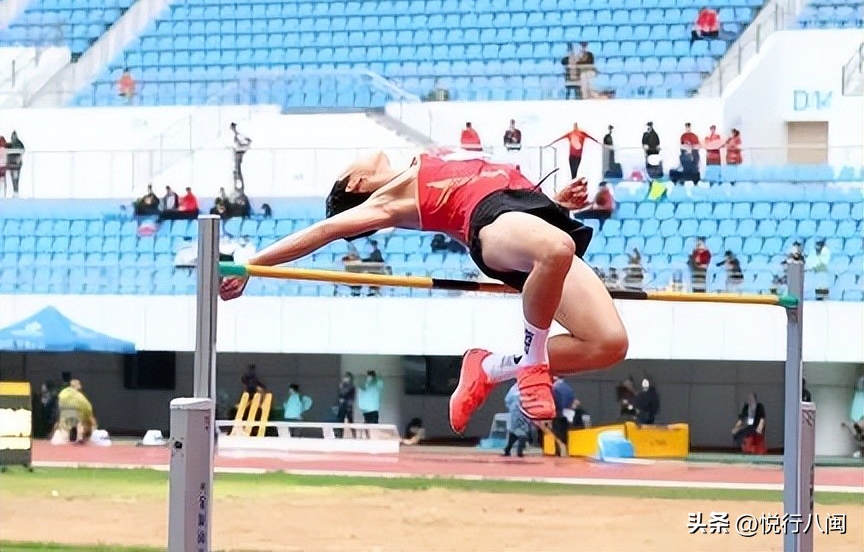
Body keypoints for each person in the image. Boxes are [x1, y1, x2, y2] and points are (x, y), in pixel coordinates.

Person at [219, 149, 629, 434]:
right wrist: (252, 266)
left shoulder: (423, 163)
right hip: (495, 225)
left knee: (608, 343)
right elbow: (324, 231)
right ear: (358, 183)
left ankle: (488, 368)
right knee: (555, 248)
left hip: (529, 213)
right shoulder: (390, 198)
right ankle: (534, 370)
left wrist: (554, 203)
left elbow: (499, 189)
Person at [503, 383, 531, 457]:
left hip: (517, 410)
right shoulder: (521, 388)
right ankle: (519, 452)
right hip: (519, 411)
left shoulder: (513, 389)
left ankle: (507, 449)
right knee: (522, 434)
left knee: (514, 432)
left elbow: (507, 400)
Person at [551, 377, 575, 456]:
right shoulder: (569, 388)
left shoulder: (554, 388)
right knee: (565, 432)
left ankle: (558, 452)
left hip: (558, 413)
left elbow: (553, 400)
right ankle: (566, 450)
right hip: (567, 413)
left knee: (557, 432)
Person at [230, 122, 252, 192]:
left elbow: (246, 143)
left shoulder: (240, 136)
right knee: (236, 171)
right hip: (238, 153)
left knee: (237, 171)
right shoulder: (237, 136)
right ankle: (238, 187)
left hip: (239, 152)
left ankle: (239, 188)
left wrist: (245, 146)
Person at [335, 372, 356, 437]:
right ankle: (339, 435)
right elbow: (340, 394)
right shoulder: (342, 385)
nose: (345, 378)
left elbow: (346, 393)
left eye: (347, 377)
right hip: (342, 406)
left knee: (350, 421)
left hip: (348, 406)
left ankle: (354, 435)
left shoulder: (351, 386)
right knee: (340, 421)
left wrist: (345, 400)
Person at [6, 130, 24, 197]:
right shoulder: (9, 145)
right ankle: (15, 192)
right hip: (11, 165)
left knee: (16, 178)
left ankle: (16, 192)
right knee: (13, 178)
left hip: (16, 165)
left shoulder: (19, 144)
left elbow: (22, 151)